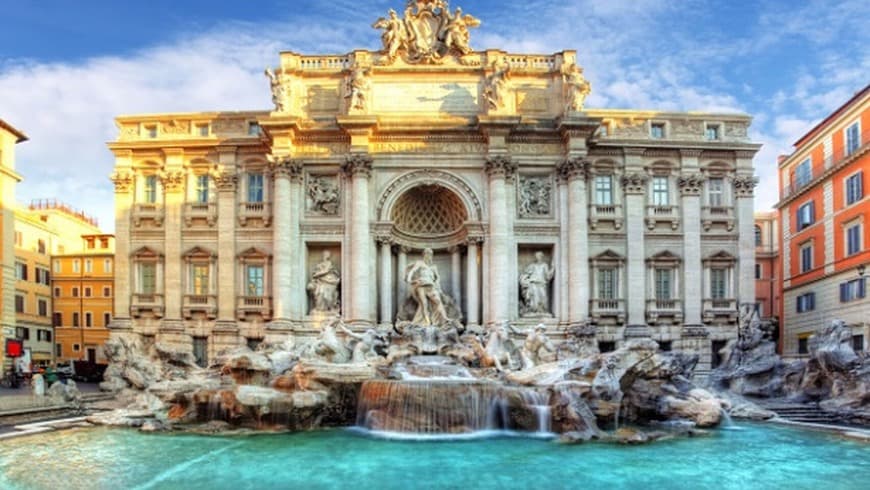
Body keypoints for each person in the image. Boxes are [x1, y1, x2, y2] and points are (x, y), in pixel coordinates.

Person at [405, 248, 449, 327]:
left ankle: (445, 318)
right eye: (427, 254)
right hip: (421, 286)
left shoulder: (433, 267)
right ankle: (427, 321)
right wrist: (410, 280)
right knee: (424, 304)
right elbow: (412, 271)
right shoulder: (420, 263)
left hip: (430, 285)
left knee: (438, 301)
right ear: (424, 255)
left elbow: (438, 277)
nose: (429, 256)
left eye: (430, 254)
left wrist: (438, 287)